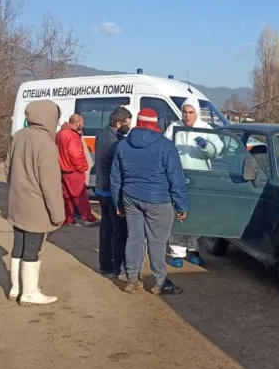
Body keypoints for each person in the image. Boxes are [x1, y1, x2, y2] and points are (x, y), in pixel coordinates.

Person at [110, 108, 188, 295]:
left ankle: (131, 279)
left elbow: (116, 178)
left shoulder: (123, 145)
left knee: (134, 238)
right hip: (159, 201)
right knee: (157, 242)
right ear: (156, 123)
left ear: (137, 121)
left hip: (131, 198)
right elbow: (176, 178)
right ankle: (160, 282)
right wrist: (181, 205)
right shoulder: (165, 146)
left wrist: (118, 203)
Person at [4, 100, 66, 306]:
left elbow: (7, 169)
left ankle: (16, 288)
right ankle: (30, 292)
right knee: (33, 247)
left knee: (18, 245)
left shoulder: (19, 136)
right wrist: (58, 214)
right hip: (36, 205)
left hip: (16, 201)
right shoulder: (46, 143)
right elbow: (50, 184)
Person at [163, 97, 223, 267]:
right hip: (178, 178)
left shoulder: (206, 129)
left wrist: (206, 146)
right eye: (185, 112)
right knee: (179, 215)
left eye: (191, 112)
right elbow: (164, 147)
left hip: (200, 179)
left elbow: (218, 149)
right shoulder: (174, 128)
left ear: (197, 113)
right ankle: (177, 253)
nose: (187, 115)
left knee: (196, 216)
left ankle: (193, 250)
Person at [94, 105, 133, 278]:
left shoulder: (101, 134)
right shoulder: (116, 142)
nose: (129, 127)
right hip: (111, 190)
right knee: (118, 231)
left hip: (100, 187)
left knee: (106, 228)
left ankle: (105, 265)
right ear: (118, 123)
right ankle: (117, 268)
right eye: (127, 124)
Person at [56, 114, 98, 227]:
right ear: (77, 122)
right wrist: (82, 168)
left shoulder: (60, 134)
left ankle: (69, 219)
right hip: (73, 171)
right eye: (82, 122)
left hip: (63, 170)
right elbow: (76, 155)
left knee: (67, 197)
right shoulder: (72, 135)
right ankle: (88, 218)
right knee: (81, 197)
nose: (83, 125)